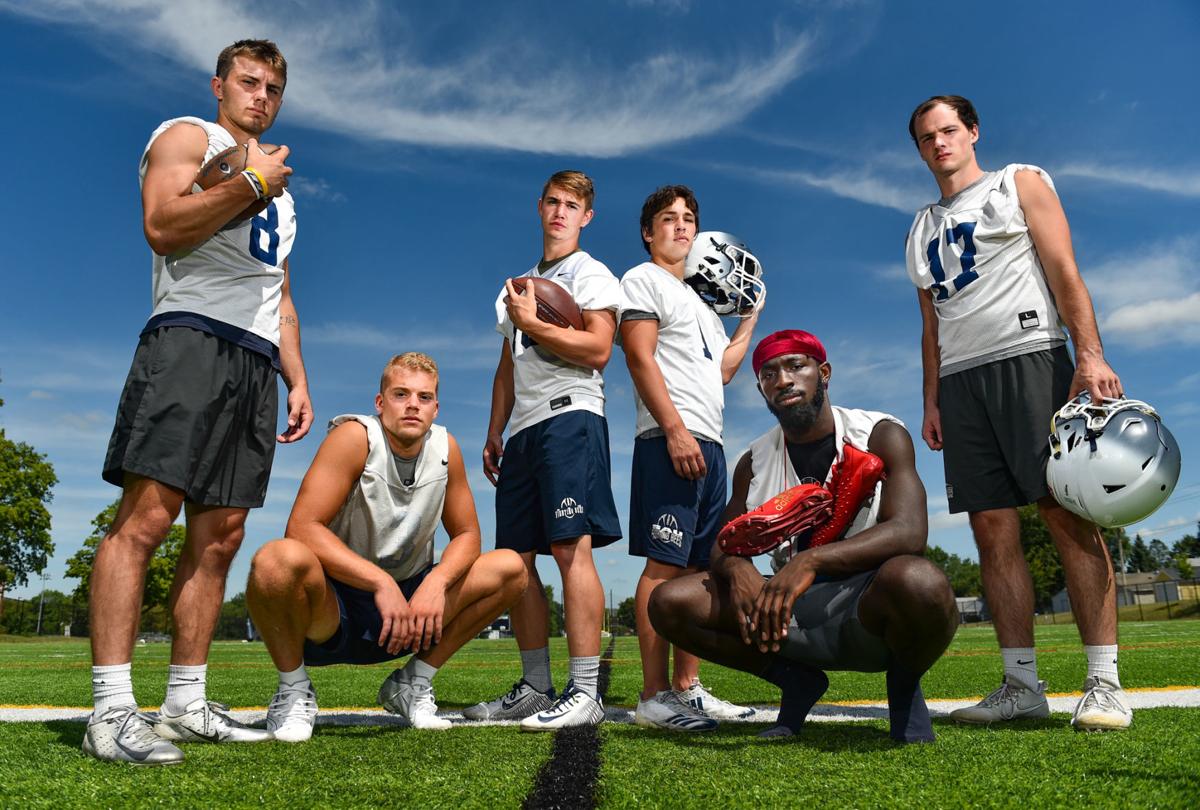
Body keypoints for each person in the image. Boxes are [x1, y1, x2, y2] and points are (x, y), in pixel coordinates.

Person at [85, 39, 312, 765]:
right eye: (249, 82)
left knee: (220, 537)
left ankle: (185, 700)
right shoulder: (188, 136)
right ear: (219, 85)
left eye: (272, 88)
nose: (261, 97)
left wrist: (296, 377)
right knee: (146, 520)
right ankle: (111, 710)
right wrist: (249, 184)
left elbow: (279, 293)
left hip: (254, 357)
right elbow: (163, 225)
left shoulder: (282, 191)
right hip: (189, 336)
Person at [905, 95, 1129, 730]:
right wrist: (932, 399)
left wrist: (1089, 354)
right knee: (991, 529)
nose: (940, 143)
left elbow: (1063, 268)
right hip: (960, 381)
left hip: (1030, 357)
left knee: (1066, 514)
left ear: (973, 132)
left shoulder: (1018, 182)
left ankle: (1104, 683)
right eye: (927, 137)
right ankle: (1021, 686)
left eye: (950, 130)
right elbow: (930, 325)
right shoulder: (919, 228)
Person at [649, 330, 958, 741]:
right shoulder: (755, 459)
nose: (783, 380)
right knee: (670, 602)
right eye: (769, 374)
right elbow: (724, 541)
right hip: (789, 607)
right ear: (761, 389)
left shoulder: (878, 433)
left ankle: (903, 693)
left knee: (919, 581)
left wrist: (810, 560)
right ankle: (796, 681)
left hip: (867, 599)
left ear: (823, 373)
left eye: (796, 366)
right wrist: (739, 571)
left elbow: (909, 531)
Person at [245, 353, 528, 741]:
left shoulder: (446, 448)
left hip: (410, 614)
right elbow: (302, 527)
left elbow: (467, 535)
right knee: (275, 560)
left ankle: (413, 682)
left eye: (424, 397)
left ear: (436, 408)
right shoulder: (354, 438)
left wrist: (437, 583)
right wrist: (379, 582)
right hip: (335, 609)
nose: (413, 405)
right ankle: (293, 689)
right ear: (380, 403)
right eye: (401, 394)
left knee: (509, 567)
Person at [466, 171, 622, 730]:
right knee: (518, 560)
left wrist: (534, 322)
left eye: (572, 205)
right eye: (553, 202)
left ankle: (585, 691)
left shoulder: (590, 273)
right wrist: (495, 430)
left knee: (570, 547)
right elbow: (508, 365)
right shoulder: (515, 286)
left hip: (570, 415)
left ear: (586, 216)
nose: (560, 212)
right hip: (524, 430)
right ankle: (536, 686)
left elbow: (599, 349)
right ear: (539, 207)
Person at [618, 185, 760, 731]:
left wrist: (749, 319)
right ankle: (653, 696)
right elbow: (639, 356)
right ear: (648, 232)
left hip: (711, 442)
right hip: (668, 438)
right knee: (663, 565)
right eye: (668, 219)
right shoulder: (642, 278)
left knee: (699, 570)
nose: (681, 227)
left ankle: (687, 688)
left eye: (688, 219)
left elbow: (722, 370)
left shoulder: (703, 303)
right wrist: (675, 430)